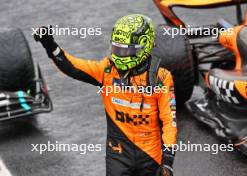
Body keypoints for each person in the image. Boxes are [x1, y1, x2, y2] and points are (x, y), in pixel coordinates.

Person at [34, 14, 177, 176]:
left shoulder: (161, 77)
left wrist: (168, 162)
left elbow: (169, 121)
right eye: (117, 48)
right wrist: (50, 45)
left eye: (125, 50)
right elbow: (73, 67)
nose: (120, 54)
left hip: (150, 154)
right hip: (118, 153)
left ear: (144, 46)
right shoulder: (107, 70)